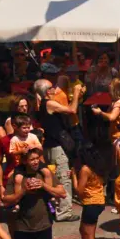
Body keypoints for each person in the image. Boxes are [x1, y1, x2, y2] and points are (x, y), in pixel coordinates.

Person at [32, 79, 82, 223]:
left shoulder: (40, 104)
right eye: (52, 87)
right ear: (48, 91)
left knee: (54, 177)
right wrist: (76, 92)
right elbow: (72, 110)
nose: (55, 89)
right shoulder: (49, 103)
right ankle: (64, 212)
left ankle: (56, 207)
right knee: (63, 177)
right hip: (56, 147)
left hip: (49, 146)